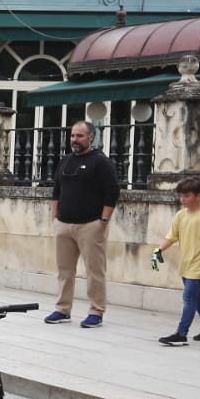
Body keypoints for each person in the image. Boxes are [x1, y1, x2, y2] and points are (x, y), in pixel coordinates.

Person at [46, 120, 120, 328]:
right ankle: (62, 309)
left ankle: (96, 311)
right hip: (64, 225)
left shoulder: (100, 162)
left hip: (90, 225)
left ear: (91, 138)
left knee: (94, 271)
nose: (74, 140)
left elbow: (112, 192)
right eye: (72, 136)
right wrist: (55, 218)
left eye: (79, 136)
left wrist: (103, 221)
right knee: (64, 271)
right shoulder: (66, 161)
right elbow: (56, 191)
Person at [151, 176, 200, 346]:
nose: (183, 199)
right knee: (195, 296)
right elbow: (172, 236)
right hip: (186, 263)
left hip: (199, 265)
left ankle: (181, 334)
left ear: (199, 195)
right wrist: (158, 250)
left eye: (187, 196)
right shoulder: (181, 215)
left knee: (189, 298)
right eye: (181, 196)